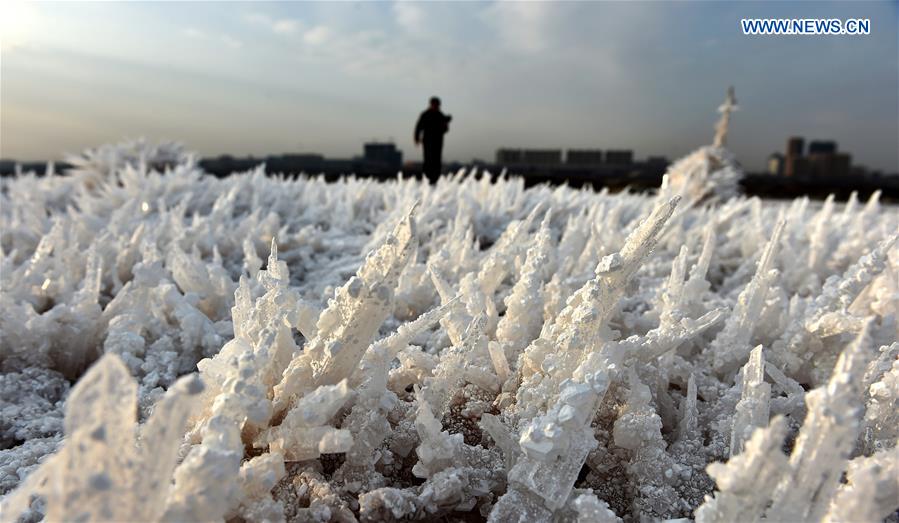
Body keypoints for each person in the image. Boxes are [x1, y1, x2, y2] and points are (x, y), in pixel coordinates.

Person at [414, 96, 451, 181]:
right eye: (435, 105)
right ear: (431, 104)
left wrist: (445, 123)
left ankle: (435, 178)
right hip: (428, 141)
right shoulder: (425, 114)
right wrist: (416, 138)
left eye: (437, 105)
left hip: (438, 141)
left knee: (436, 161)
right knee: (428, 160)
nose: (436, 106)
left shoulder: (440, 115)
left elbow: (445, 130)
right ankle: (427, 178)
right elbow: (419, 127)